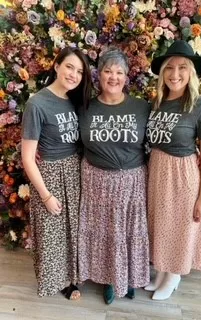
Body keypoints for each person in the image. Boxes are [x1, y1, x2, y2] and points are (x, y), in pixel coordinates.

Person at [78, 47, 150, 304]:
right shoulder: (84, 107)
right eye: (108, 70)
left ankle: (127, 278)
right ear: (99, 74)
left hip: (132, 181)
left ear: (127, 76)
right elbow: (68, 139)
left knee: (129, 232)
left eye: (119, 72)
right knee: (105, 233)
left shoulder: (142, 107)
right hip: (96, 181)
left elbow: (161, 140)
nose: (113, 77)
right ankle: (109, 280)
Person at [145, 40, 201, 300]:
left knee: (181, 227)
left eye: (182, 68)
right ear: (162, 72)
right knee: (162, 225)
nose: (175, 74)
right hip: (157, 170)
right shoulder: (157, 102)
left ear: (191, 72)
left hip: (182, 174)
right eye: (169, 68)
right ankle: (163, 274)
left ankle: (174, 276)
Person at [21, 47, 91, 298]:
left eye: (80, 71)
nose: (73, 74)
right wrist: (46, 195)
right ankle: (56, 281)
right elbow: (28, 157)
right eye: (70, 67)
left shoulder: (75, 100)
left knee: (73, 231)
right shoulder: (37, 103)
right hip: (49, 174)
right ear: (56, 65)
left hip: (74, 171)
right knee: (52, 234)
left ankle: (72, 278)